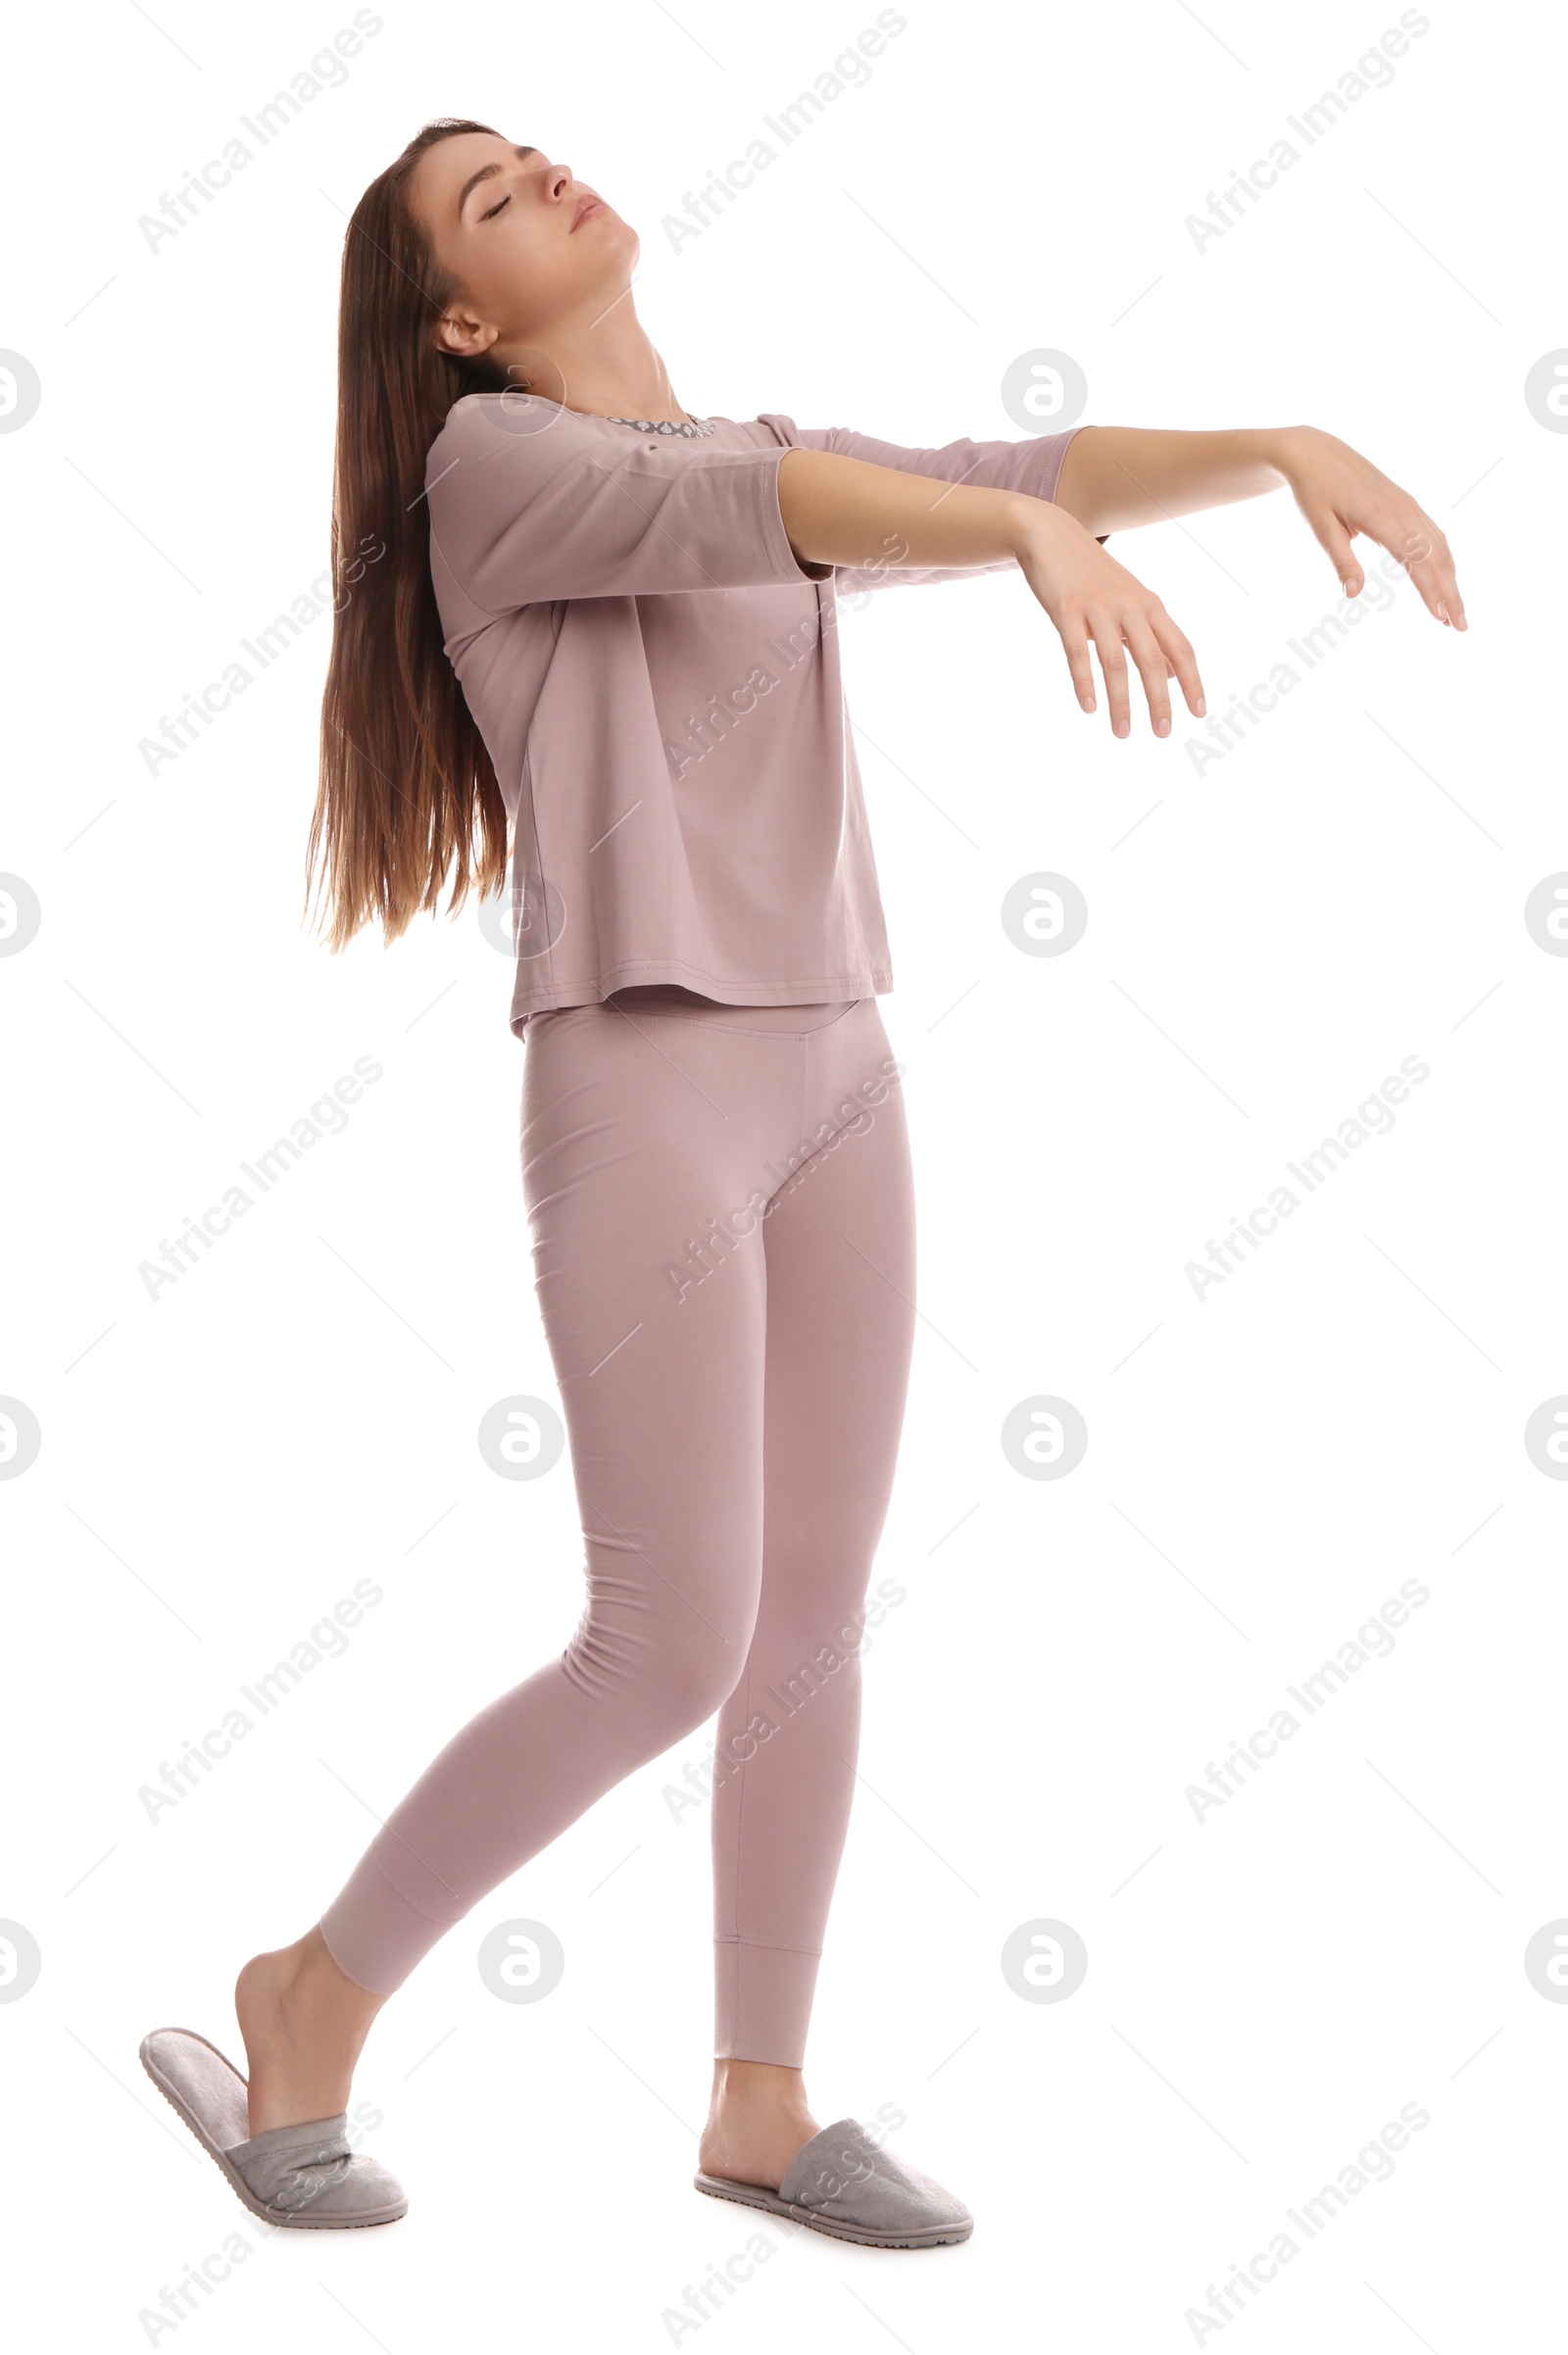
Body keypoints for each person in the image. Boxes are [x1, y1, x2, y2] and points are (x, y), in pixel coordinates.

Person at [139, 118, 1466, 2246]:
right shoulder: (490, 470)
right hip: (642, 1071)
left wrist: (1269, 442)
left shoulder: (750, 447)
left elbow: (991, 475)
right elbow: (759, 507)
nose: (542, 176)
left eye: (528, 154)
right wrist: (1000, 539)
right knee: (665, 1636)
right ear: (460, 325)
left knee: (813, 1612)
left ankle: (759, 2099)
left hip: (838, 1060)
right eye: (489, 204)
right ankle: (307, 1991)